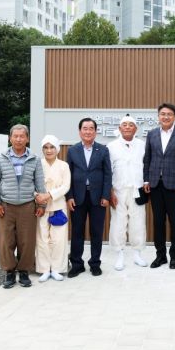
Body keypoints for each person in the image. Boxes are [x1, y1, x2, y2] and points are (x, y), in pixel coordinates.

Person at [0, 124, 47, 289]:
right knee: (5, 241)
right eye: (15, 136)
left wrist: (41, 204)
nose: (19, 139)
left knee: (27, 241)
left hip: (28, 206)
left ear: (27, 138)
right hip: (6, 206)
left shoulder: (34, 159)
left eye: (22, 136)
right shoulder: (1, 158)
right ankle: (9, 273)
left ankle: (23, 272)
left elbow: (40, 183)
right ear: (10, 138)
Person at [143, 103, 175, 269]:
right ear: (158, 116)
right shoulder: (152, 134)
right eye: (162, 114)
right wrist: (146, 180)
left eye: (169, 114)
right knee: (158, 222)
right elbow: (147, 158)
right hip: (155, 184)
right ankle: (160, 255)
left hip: (174, 185)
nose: (166, 117)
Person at [66, 118, 112, 278]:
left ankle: (95, 264)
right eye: (85, 128)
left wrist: (106, 195)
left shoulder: (103, 150)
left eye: (91, 128)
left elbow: (108, 174)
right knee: (77, 231)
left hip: (98, 197)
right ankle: (77, 264)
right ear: (80, 131)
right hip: (77, 197)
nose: (88, 131)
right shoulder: (72, 151)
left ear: (95, 131)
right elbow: (68, 175)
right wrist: (69, 196)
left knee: (96, 232)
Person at [107, 114, 148, 270]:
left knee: (138, 223)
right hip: (118, 190)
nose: (128, 127)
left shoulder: (142, 145)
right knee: (118, 222)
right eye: (125, 125)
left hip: (137, 190)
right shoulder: (111, 146)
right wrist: (110, 191)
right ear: (119, 128)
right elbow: (108, 170)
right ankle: (119, 254)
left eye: (131, 125)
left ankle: (137, 253)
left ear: (136, 129)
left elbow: (147, 166)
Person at [35, 135, 71, 282]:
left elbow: (66, 186)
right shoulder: (37, 164)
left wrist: (49, 194)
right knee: (42, 238)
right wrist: (38, 196)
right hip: (41, 207)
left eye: (52, 147)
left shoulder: (64, 165)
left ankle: (57, 268)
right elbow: (31, 183)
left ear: (57, 149)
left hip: (58, 206)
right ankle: (44, 269)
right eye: (46, 147)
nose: (49, 150)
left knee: (58, 239)